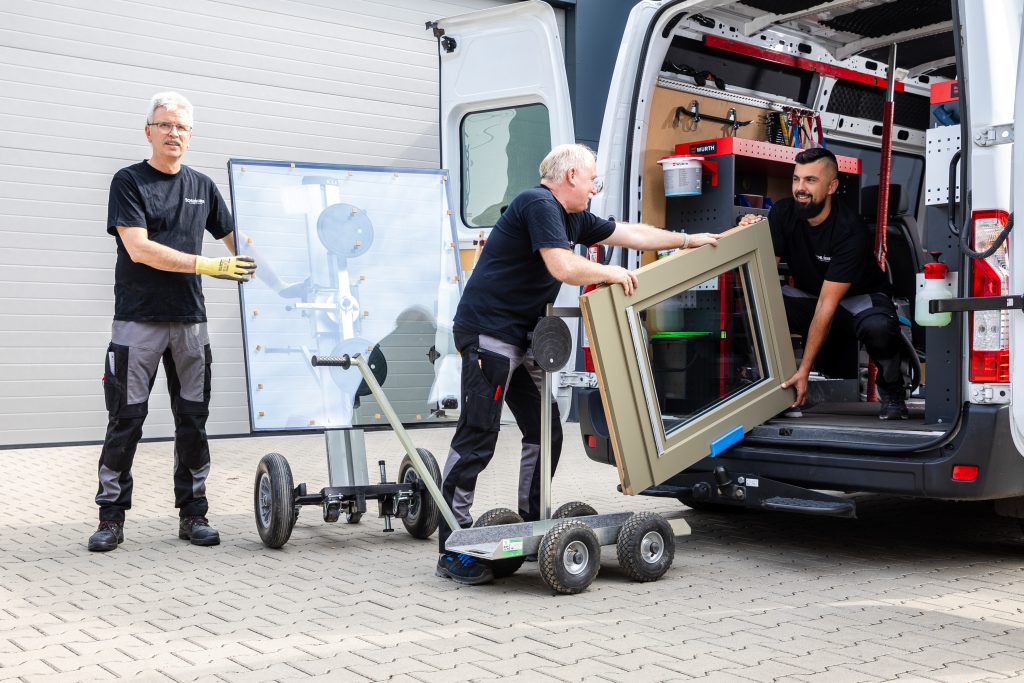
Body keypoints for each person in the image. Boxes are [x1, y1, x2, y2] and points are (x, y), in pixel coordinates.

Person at [435, 143, 721, 585]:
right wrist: (612, 273)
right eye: (592, 180)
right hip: (488, 334)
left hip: (521, 337)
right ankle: (452, 545)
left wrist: (687, 241)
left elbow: (631, 234)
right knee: (478, 435)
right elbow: (563, 267)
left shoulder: (573, 217)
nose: (593, 189)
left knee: (545, 432)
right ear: (571, 176)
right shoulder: (537, 204)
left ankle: (534, 522)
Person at [88, 92, 257, 552]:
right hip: (137, 322)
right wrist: (209, 266)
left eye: (181, 127)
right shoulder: (129, 181)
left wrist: (284, 277)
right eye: (164, 125)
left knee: (193, 421)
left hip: (190, 325)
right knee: (126, 419)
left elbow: (239, 241)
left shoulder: (202, 185)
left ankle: (194, 514)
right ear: (148, 131)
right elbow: (139, 248)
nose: (173, 133)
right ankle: (110, 519)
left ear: (190, 135)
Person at [741, 147, 907, 420]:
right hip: (811, 296)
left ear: (832, 187)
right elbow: (765, 273)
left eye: (810, 180)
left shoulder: (850, 229)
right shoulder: (783, 213)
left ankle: (892, 389)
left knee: (879, 329)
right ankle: (768, 386)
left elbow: (827, 306)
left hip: (858, 301)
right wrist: (748, 232)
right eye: (796, 179)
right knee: (756, 305)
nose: (800, 188)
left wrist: (804, 371)